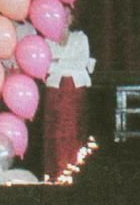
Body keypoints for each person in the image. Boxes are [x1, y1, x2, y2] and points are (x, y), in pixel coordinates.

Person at [43, 11, 96, 179]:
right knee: (55, 131)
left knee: (73, 129)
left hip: (75, 89)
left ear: (74, 18)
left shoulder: (81, 38)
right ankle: (55, 173)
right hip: (54, 90)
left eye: (68, 14)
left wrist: (57, 61)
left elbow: (81, 62)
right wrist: (63, 63)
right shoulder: (47, 40)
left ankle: (72, 170)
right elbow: (45, 66)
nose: (65, 18)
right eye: (61, 13)